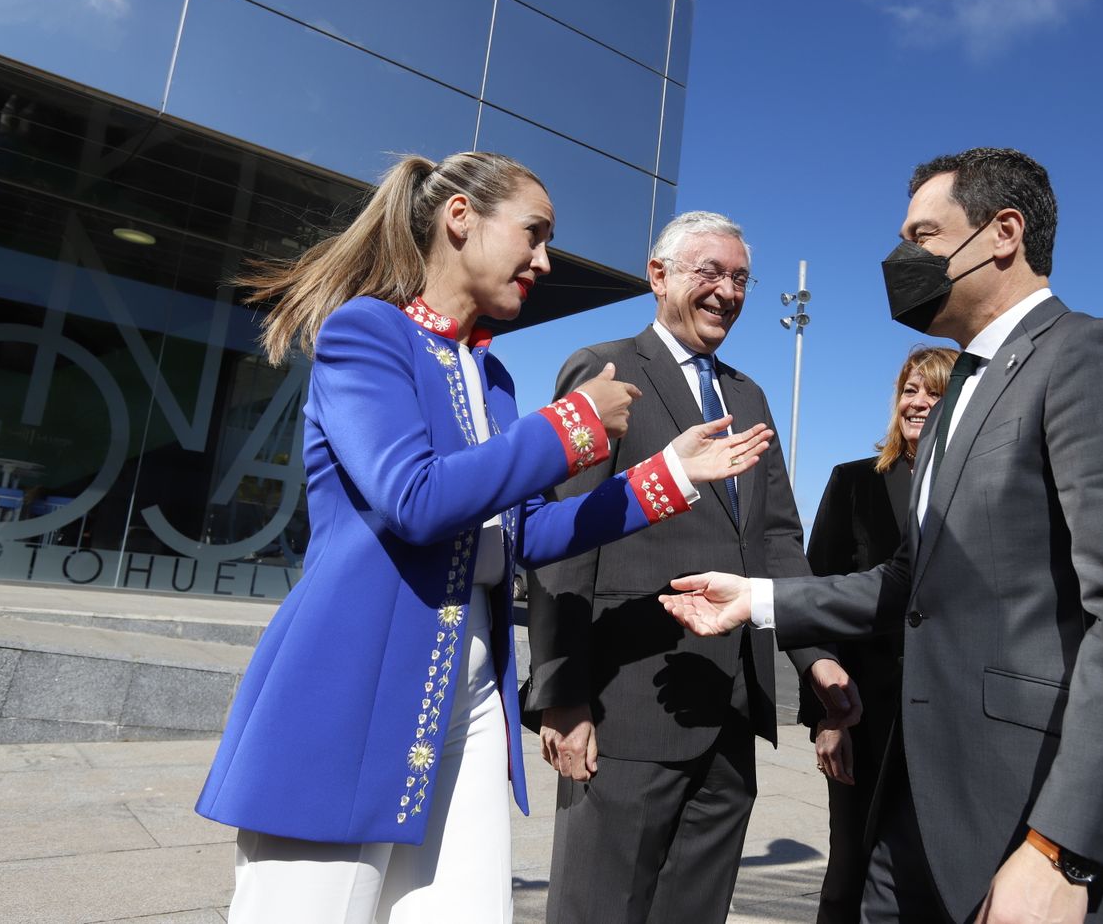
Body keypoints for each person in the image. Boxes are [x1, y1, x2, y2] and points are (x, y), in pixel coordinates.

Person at [194, 153, 774, 924]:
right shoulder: (368, 333)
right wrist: (570, 425)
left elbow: (525, 532)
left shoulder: (491, 377)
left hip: (469, 695)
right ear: (459, 218)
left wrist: (668, 474)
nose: (544, 260)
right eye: (533, 234)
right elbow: (415, 499)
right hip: (351, 683)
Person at [660, 149, 1103, 924]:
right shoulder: (963, 390)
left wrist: (1064, 849)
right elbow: (907, 587)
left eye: (923, 235)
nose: (902, 258)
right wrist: (757, 600)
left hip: (1036, 820)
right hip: (919, 810)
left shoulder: (1092, 358)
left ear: (1003, 233)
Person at [525, 211, 859, 924]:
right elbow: (565, 539)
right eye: (709, 272)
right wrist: (562, 690)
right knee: (600, 910)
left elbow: (777, 542)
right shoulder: (605, 371)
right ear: (659, 276)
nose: (727, 292)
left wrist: (816, 659)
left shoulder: (749, 397)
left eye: (740, 278)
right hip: (625, 711)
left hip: (731, 711)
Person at [799, 345, 956, 924]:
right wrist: (828, 716)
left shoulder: (977, 490)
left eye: (933, 392)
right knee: (850, 872)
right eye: (909, 390)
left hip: (953, 724)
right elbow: (818, 600)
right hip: (866, 716)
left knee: (937, 882)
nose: (917, 403)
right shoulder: (854, 483)